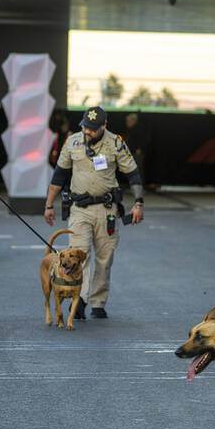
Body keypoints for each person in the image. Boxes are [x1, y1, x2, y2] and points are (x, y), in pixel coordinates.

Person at [43, 106, 145, 319]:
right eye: (84, 127)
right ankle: (80, 299)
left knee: (104, 257)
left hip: (106, 210)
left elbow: (133, 174)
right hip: (79, 209)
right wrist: (49, 204)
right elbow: (59, 175)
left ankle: (98, 301)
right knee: (79, 254)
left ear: (103, 126)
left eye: (91, 129)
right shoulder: (73, 141)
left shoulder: (116, 142)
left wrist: (138, 202)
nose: (86, 132)